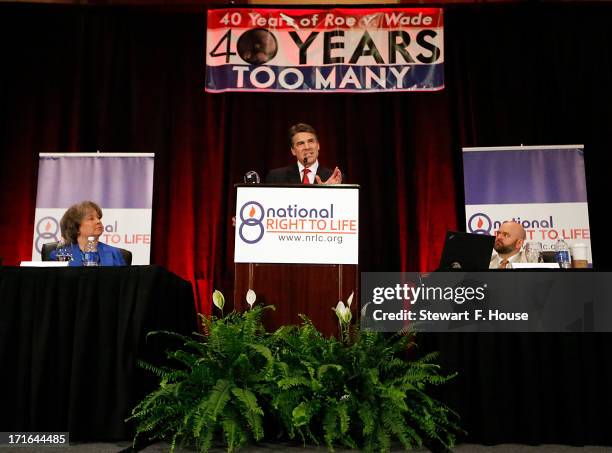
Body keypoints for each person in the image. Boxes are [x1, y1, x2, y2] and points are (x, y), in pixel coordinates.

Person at [49, 200, 126, 266]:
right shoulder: (60, 256)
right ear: (76, 227)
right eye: (91, 218)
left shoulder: (114, 254)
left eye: (98, 218)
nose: (98, 221)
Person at [266, 123, 343, 184]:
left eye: (311, 141)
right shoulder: (276, 177)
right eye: (301, 143)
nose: (307, 147)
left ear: (318, 145)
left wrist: (331, 191)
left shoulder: (335, 178)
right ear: (293, 151)